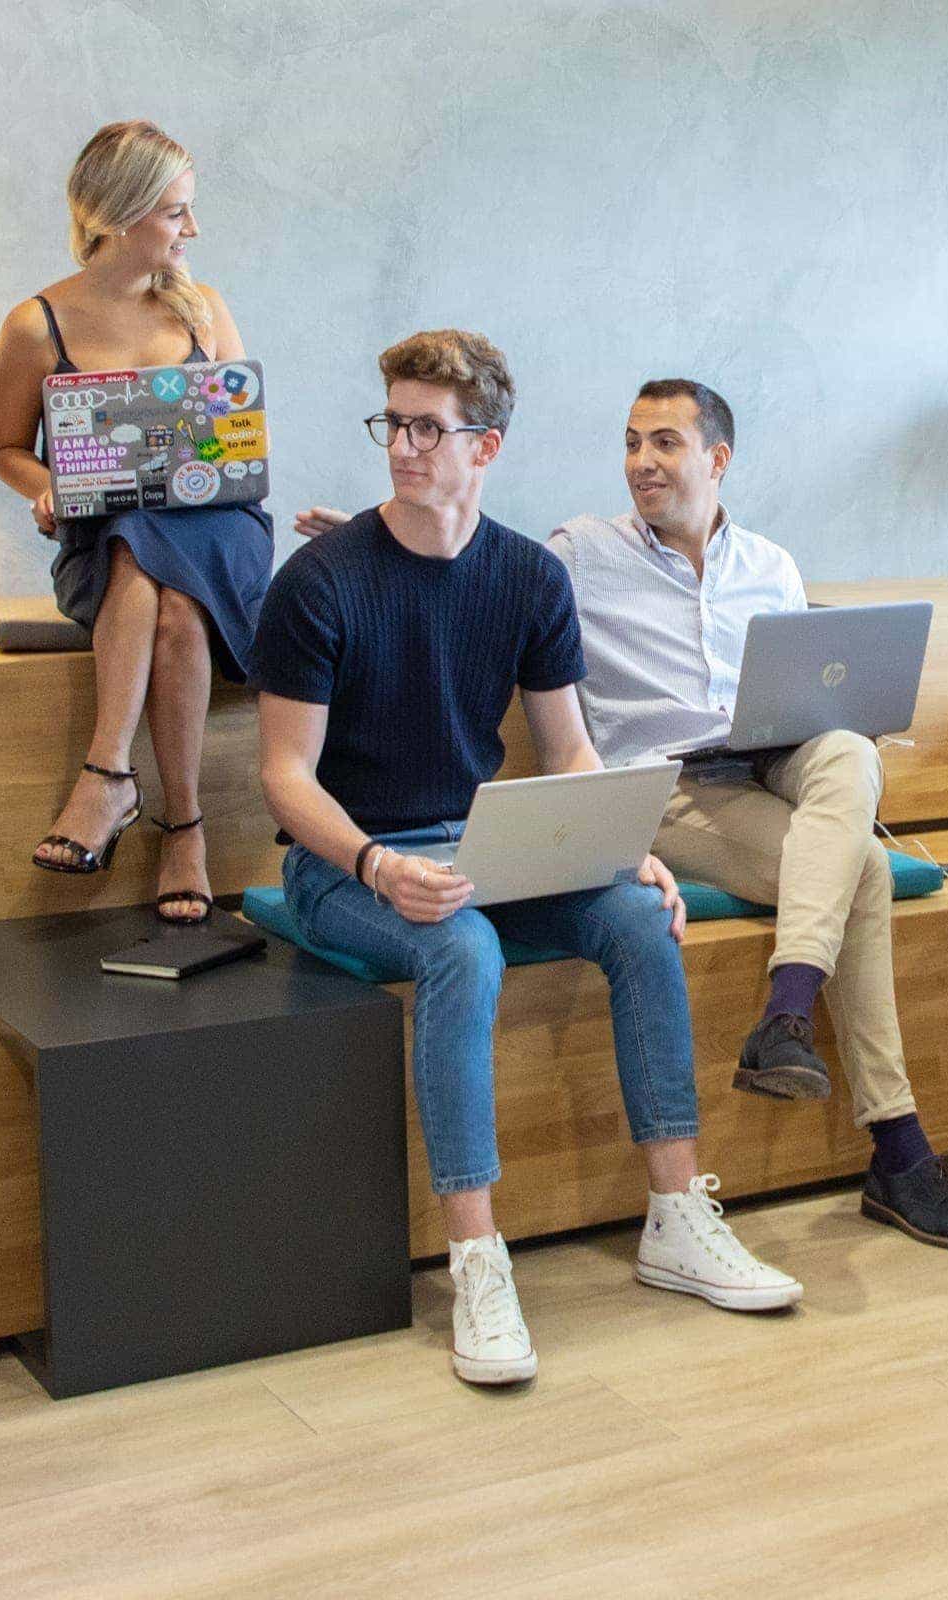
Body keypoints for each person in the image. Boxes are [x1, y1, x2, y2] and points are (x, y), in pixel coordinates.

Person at [252, 331, 799, 1388]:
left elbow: (567, 749)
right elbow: (283, 777)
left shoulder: (527, 577)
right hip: (343, 867)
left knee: (640, 918)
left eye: (428, 427)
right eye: (394, 424)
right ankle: (477, 1259)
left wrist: (619, 849)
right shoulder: (320, 583)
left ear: (486, 445)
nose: (404, 446)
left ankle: (677, 1218)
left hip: (479, 851)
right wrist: (374, 865)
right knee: (461, 948)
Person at [541, 379, 948, 1254]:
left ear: (717, 460)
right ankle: (894, 1145)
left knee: (853, 750)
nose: (642, 461)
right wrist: (380, 536)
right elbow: (474, 561)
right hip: (668, 790)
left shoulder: (771, 565)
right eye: (632, 442)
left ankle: (789, 1020)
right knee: (864, 868)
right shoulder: (580, 553)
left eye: (666, 444)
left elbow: (815, 692)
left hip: (772, 760)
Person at [0, 121, 272, 920]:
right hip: (105, 539)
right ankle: (184, 831)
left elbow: (247, 438)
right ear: (118, 214)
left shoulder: (204, 309)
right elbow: (7, 450)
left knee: (146, 546)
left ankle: (107, 778)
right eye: (177, 212)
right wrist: (45, 485)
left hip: (220, 529)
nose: (193, 229)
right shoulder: (33, 325)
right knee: (159, 586)